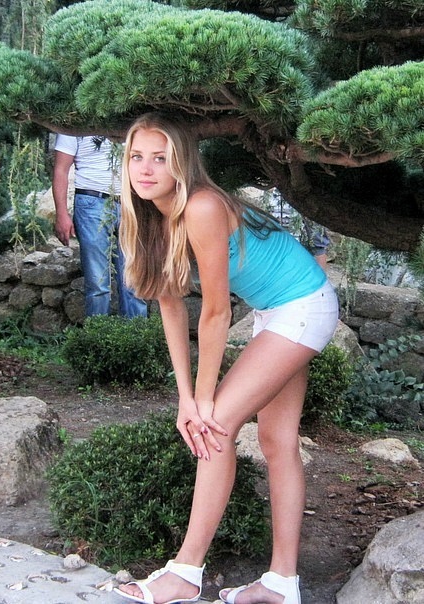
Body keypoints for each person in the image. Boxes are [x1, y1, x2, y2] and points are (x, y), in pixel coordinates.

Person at [115, 113, 339, 604]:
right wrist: (185, 398)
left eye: (160, 158)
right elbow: (171, 307)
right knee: (277, 440)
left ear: (182, 163)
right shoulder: (151, 217)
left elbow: (217, 312)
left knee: (214, 426)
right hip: (276, 310)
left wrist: (203, 400)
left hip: (301, 305)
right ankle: (281, 584)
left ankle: (184, 572)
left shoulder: (201, 207)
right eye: (137, 157)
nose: (146, 169)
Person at [52, 134, 147, 318]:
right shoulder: (74, 124)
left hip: (131, 202)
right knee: (97, 282)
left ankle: (136, 333)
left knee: (134, 279)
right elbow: (61, 170)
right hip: (91, 201)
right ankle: (98, 333)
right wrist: (62, 213)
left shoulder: (128, 121)